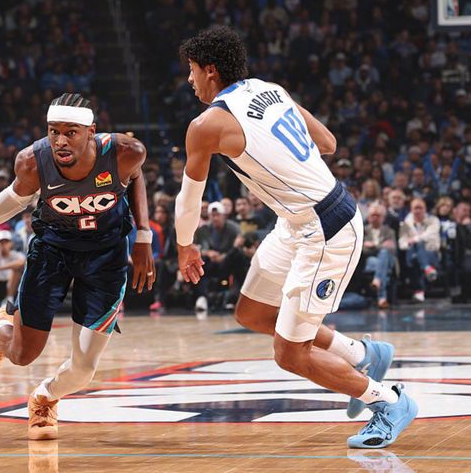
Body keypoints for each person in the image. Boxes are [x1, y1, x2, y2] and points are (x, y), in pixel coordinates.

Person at [174, 26, 417, 449]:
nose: (189, 79)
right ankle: (363, 354)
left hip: (325, 227)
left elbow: (190, 196)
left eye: (192, 69)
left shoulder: (206, 125)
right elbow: (328, 142)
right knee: (252, 312)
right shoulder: (271, 89)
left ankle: (389, 401)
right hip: (295, 221)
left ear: (210, 70)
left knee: (290, 354)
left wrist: (184, 246)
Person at [0, 93, 154, 440]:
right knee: (22, 354)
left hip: (106, 256)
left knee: (84, 369)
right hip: (52, 252)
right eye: (53, 131)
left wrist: (143, 236)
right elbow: (12, 200)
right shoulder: (32, 161)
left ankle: (44, 398)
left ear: (91, 132)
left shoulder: (125, 151)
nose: (60, 141)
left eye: (70, 132)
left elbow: (134, 177)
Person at [398, 197, 440, 302]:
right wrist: (411, 242)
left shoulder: (433, 220)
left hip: (431, 252)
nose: (418, 211)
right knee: (415, 251)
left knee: (416, 255)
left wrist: (414, 239)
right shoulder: (405, 224)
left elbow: (430, 235)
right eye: (415, 208)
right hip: (411, 253)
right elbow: (402, 243)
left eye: (420, 208)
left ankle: (419, 291)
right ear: (411, 210)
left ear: (425, 209)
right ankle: (427, 268)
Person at [362, 203, 397, 308]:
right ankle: (382, 298)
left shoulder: (389, 231)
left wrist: (374, 246)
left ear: (383, 218)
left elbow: (392, 249)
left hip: (389, 260)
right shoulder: (363, 231)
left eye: (378, 215)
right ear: (368, 217)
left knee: (385, 254)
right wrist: (382, 246)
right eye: (373, 215)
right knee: (381, 264)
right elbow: (362, 250)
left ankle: (377, 280)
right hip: (371, 261)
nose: (375, 218)